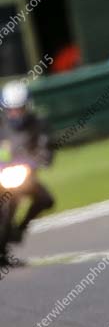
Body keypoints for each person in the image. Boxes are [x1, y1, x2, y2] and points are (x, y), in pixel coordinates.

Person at [0, 81, 55, 254]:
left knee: (45, 200)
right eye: (12, 110)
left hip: (24, 176)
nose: (16, 113)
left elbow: (46, 151)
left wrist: (34, 163)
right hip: (2, 177)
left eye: (20, 109)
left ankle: (21, 228)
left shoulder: (39, 125)